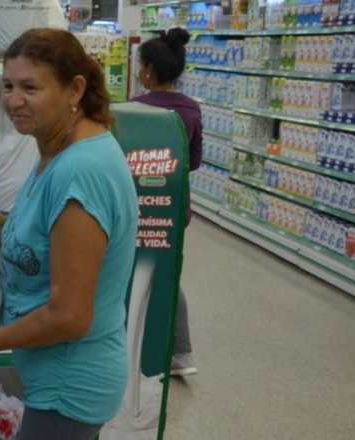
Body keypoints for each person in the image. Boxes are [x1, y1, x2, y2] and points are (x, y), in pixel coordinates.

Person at [0, 29, 139, 440]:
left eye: (30, 87)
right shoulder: (57, 148)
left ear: (74, 88)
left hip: (70, 383)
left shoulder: (80, 170)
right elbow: (44, 246)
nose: (12, 101)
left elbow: (70, 316)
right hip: (57, 377)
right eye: (8, 86)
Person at [132, 27, 202, 377]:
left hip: (136, 206)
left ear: (147, 71)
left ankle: (139, 343)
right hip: (174, 207)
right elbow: (195, 160)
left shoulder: (133, 110)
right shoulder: (191, 110)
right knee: (167, 272)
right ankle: (180, 352)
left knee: (132, 271)